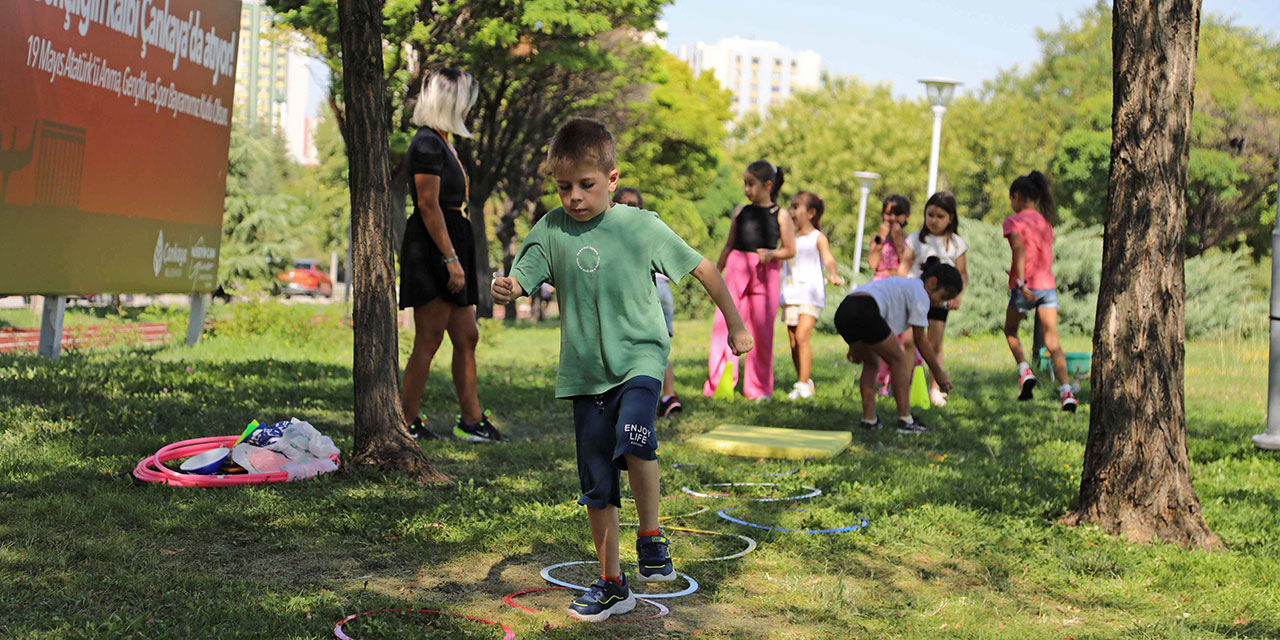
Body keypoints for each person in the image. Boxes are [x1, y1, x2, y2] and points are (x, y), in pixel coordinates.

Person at [492, 118, 752, 622]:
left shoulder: (640, 226)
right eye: (564, 187)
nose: (574, 197)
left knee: (634, 436)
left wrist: (736, 324)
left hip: (640, 358)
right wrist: (508, 289)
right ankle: (613, 583)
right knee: (597, 484)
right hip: (585, 371)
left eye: (586, 185)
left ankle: (651, 537)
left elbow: (704, 269)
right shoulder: (550, 230)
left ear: (611, 180)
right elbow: (521, 279)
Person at [398, 68, 505, 443]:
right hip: (432, 247)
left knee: (467, 336)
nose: (469, 107)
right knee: (428, 340)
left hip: (452, 240)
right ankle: (405, 421)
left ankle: (471, 421)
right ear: (450, 101)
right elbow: (428, 206)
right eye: (464, 100)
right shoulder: (425, 143)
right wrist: (449, 258)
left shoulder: (443, 141)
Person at [835, 259, 962, 434]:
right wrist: (938, 372)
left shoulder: (907, 285)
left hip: (845, 311)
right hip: (866, 309)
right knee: (899, 360)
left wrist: (855, 345)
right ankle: (906, 420)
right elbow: (920, 339)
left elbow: (863, 313)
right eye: (942, 297)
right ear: (932, 283)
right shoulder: (921, 295)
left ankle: (869, 419)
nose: (940, 303)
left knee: (872, 362)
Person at [705, 160, 796, 400]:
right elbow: (728, 246)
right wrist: (714, 276)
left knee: (762, 332)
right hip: (736, 268)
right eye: (745, 184)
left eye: (751, 184)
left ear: (767, 185)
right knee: (725, 326)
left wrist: (772, 254)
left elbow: (790, 250)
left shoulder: (781, 215)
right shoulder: (740, 212)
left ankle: (758, 389)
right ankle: (720, 383)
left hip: (766, 273)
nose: (747, 189)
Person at [1002, 170, 1077, 412]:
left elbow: (1020, 249)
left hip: (1027, 287)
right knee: (1053, 342)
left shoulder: (1013, 221)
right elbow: (1039, 255)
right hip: (1047, 287)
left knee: (1011, 330)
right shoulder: (1045, 223)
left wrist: (1021, 281)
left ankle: (1024, 371)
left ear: (1016, 197)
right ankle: (1066, 393)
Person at [613, 187, 683, 417]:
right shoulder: (651, 227)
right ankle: (668, 396)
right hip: (663, 291)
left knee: (638, 349)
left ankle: (638, 400)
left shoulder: (617, 233)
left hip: (648, 292)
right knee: (659, 350)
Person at [898, 191, 968, 406]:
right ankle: (905, 385)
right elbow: (905, 266)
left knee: (934, 343)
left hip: (939, 301)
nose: (934, 220)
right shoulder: (915, 239)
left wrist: (957, 296)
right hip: (914, 297)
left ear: (950, 218)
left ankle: (935, 388)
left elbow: (962, 273)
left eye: (940, 216)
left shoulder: (956, 243)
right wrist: (901, 286)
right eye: (930, 215)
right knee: (909, 342)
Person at [780, 191, 842, 400]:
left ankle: (804, 383)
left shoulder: (818, 237)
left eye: (796, 207)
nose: (791, 211)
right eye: (791, 207)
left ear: (811, 212)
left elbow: (828, 258)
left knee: (802, 336)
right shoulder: (789, 238)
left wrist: (833, 273)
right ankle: (803, 381)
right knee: (793, 341)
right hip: (790, 294)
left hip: (811, 294)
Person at [867, 194, 910, 281]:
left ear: (906, 216)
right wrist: (881, 238)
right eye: (888, 214)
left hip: (899, 283)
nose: (892, 218)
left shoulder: (910, 240)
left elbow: (907, 265)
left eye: (897, 214)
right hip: (879, 283)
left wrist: (897, 240)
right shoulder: (877, 238)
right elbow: (872, 264)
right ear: (882, 214)